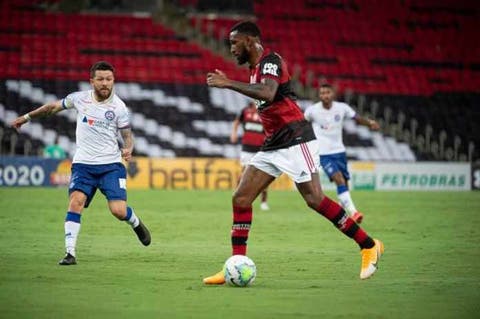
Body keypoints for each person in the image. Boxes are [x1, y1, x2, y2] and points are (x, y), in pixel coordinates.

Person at [203, 21, 384, 283]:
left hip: (297, 138)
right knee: (241, 198)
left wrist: (228, 83)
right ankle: (236, 262)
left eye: (234, 42)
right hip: (274, 143)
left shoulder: (270, 61)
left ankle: (368, 245)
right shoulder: (254, 69)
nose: (231, 49)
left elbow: (268, 92)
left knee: (314, 199)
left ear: (251, 41)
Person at [11, 61, 151, 265]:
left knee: (118, 211)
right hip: (83, 165)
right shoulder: (79, 98)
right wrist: (26, 118)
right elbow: (52, 108)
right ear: (92, 81)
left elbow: (128, 136)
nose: (105, 83)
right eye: (101, 79)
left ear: (114, 81)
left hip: (111, 165)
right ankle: (70, 253)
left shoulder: (119, 107)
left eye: (109, 79)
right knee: (76, 202)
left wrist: (129, 148)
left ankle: (136, 223)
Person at [304, 84, 380, 224]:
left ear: (332, 94)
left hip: (339, 151)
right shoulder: (312, 110)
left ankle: (341, 207)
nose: (325, 95)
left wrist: (369, 123)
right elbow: (301, 123)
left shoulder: (342, 108)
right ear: (319, 95)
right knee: (338, 178)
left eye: (327, 92)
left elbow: (356, 118)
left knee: (344, 182)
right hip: (323, 154)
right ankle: (354, 212)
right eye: (322, 93)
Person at [231, 101, 269, 211]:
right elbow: (237, 122)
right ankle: (237, 197)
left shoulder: (265, 111)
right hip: (247, 148)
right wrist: (233, 133)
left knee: (263, 175)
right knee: (244, 173)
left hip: (261, 148)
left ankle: (264, 202)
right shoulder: (245, 111)